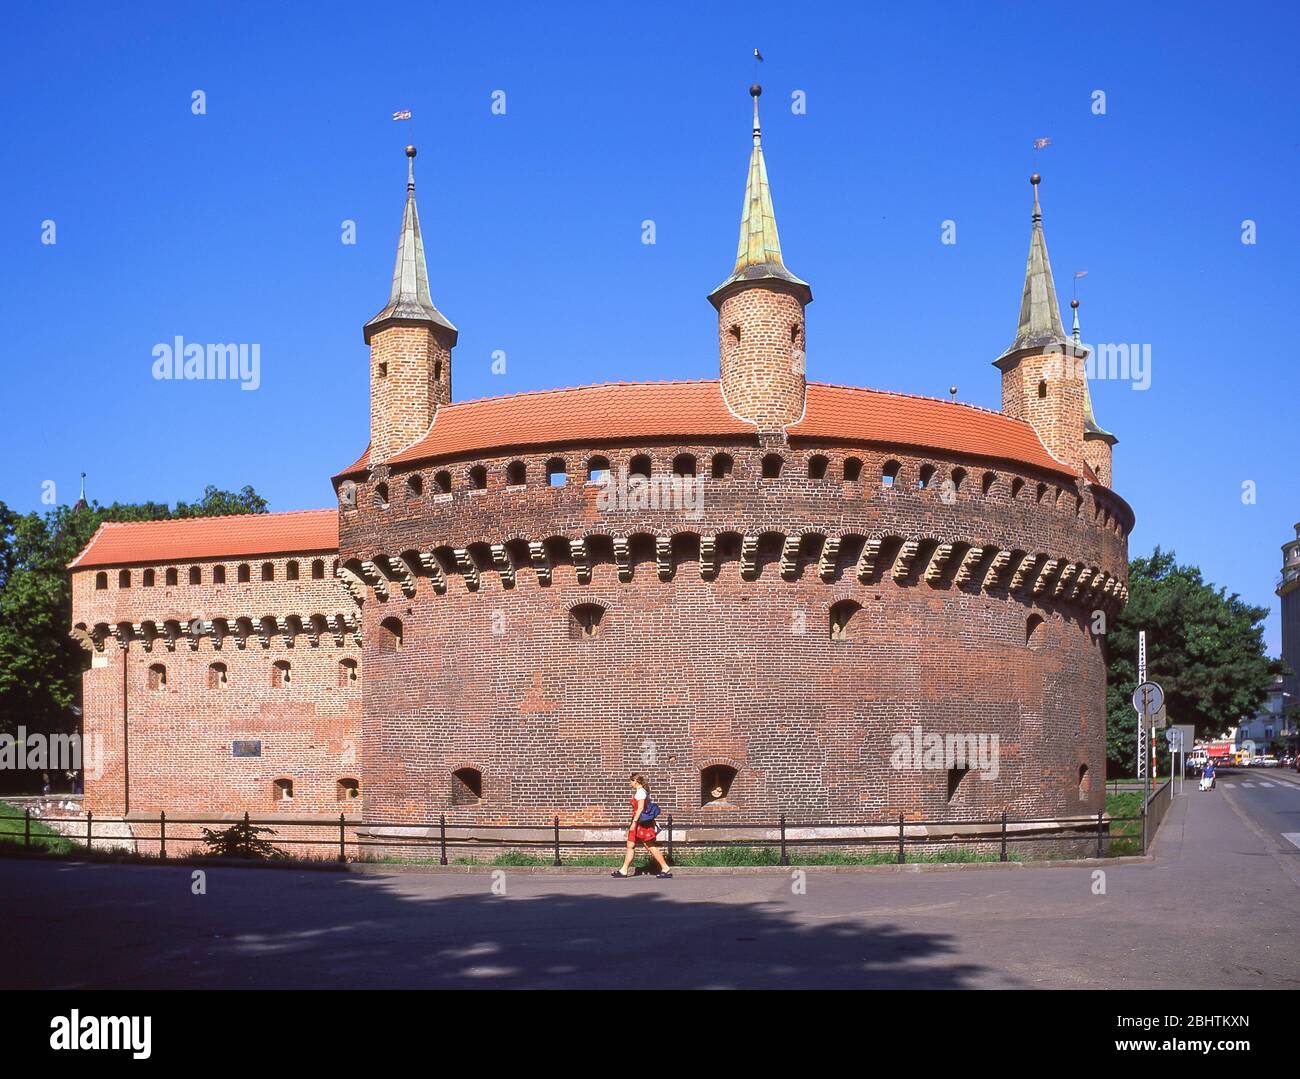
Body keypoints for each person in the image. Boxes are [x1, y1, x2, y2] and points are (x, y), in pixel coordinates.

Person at [611, 773, 672, 879]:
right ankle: (624, 870)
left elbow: (640, 809)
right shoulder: (641, 792)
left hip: (641, 823)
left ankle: (665, 867)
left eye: (631, 781)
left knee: (650, 845)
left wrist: (634, 822)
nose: (630, 783)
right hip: (636, 821)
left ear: (636, 781)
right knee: (630, 845)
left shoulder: (640, 793)